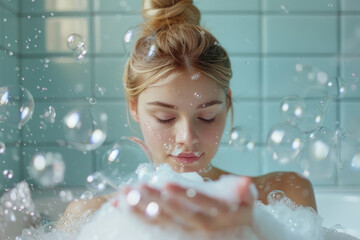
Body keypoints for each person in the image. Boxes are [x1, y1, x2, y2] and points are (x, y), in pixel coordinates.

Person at [59, 0, 317, 234]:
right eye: (165, 117)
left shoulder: (284, 197)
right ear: (134, 107)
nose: (187, 138)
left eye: (206, 117)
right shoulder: (92, 218)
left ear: (227, 104)